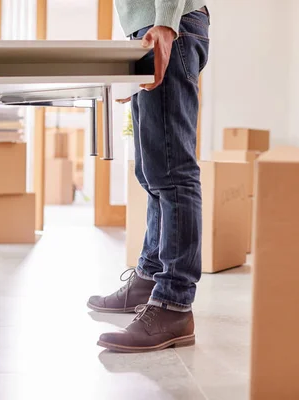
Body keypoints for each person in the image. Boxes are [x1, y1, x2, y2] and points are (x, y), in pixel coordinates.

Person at [87, 0, 209, 353]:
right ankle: (149, 277)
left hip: (168, 25)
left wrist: (166, 23)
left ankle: (174, 305)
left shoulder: (167, 25)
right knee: (152, 170)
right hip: (151, 27)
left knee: (173, 172)